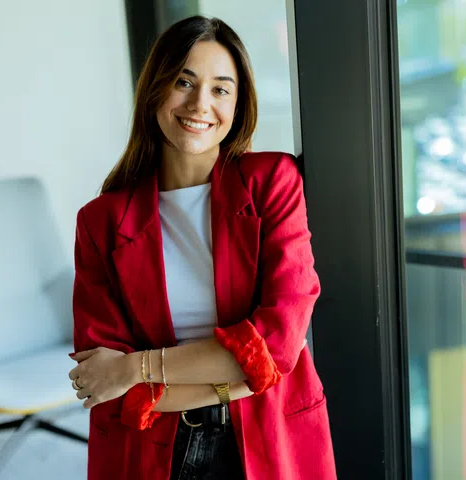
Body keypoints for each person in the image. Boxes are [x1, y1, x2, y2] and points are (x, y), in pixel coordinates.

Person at [65, 15, 336, 480]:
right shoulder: (101, 221)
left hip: (271, 437)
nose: (199, 104)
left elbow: (277, 347)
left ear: (238, 104)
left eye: (220, 89)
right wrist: (242, 378)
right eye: (184, 82)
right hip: (154, 449)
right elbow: (105, 383)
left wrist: (138, 368)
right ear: (155, 90)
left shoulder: (272, 182)